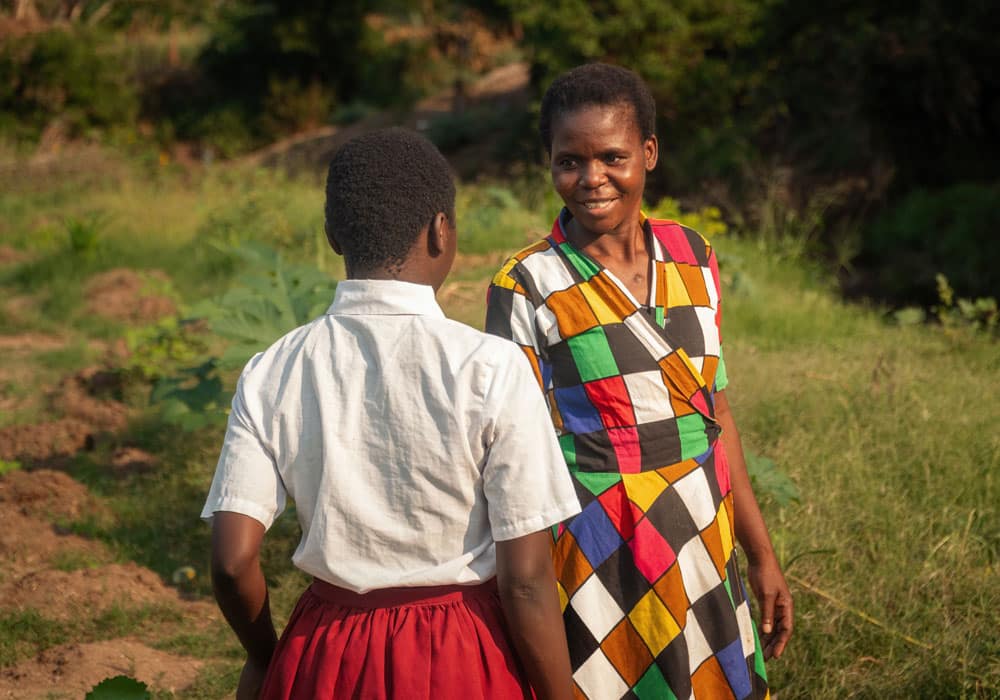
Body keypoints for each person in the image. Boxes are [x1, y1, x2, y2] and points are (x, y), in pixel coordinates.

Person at [202, 127, 581, 700]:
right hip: (462, 651)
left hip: (325, 650)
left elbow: (232, 563)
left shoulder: (272, 368)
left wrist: (265, 658)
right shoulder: (491, 367)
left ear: (333, 235)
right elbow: (525, 580)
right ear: (440, 231)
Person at [485, 63, 793, 700]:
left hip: (704, 535)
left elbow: (716, 412)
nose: (591, 178)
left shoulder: (693, 255)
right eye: (570, 160)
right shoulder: (526, 284)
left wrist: (760, 554)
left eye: (613, 157)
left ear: (648, 154)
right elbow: (508, 457)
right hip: (600, 547)